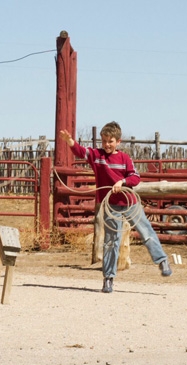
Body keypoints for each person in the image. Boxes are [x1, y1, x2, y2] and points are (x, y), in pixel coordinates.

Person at [59, 121, 172, 293]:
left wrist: (123, 181)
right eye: (104, 141)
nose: (107, 144)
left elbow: (135, 177)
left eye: (110, 141)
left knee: (146, 232)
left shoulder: (125, 159)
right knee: (111, 241)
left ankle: (162, 260)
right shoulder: (97, 156)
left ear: (118, 141)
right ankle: (108, 278)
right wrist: (70, 141)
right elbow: (81, 151)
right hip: (110, 205)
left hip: (130, 203)